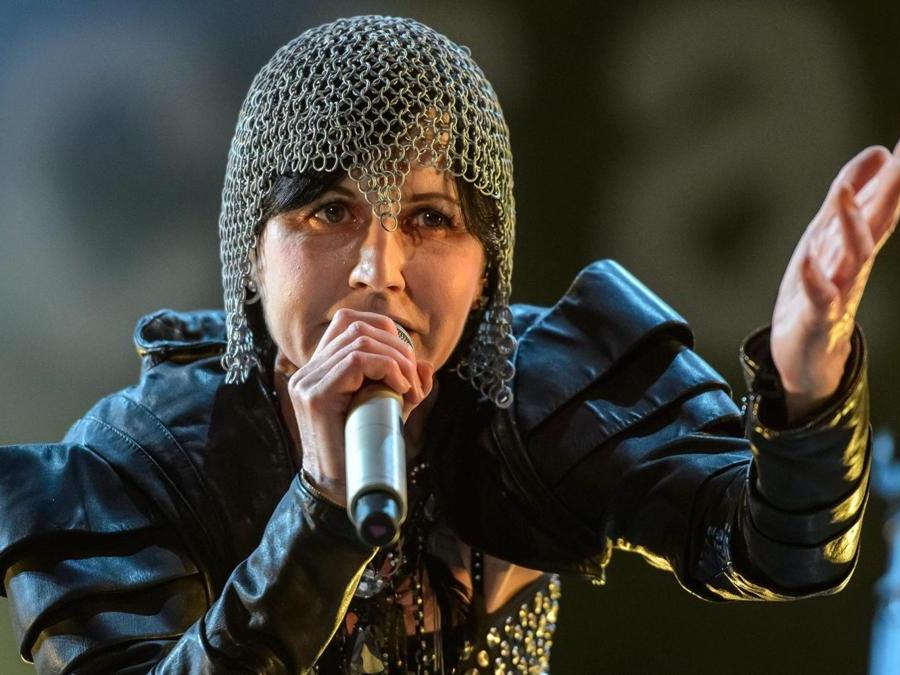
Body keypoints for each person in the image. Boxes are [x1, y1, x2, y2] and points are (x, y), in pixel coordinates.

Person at [0, 14, 897, 674]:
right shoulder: (141, 464)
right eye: (329, 210)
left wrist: (809, 374)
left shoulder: (543, 396)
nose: (378, 269)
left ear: (488, 270)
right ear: (250, 254)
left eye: (430, 218)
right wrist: (319, 508)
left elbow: (779, 550)